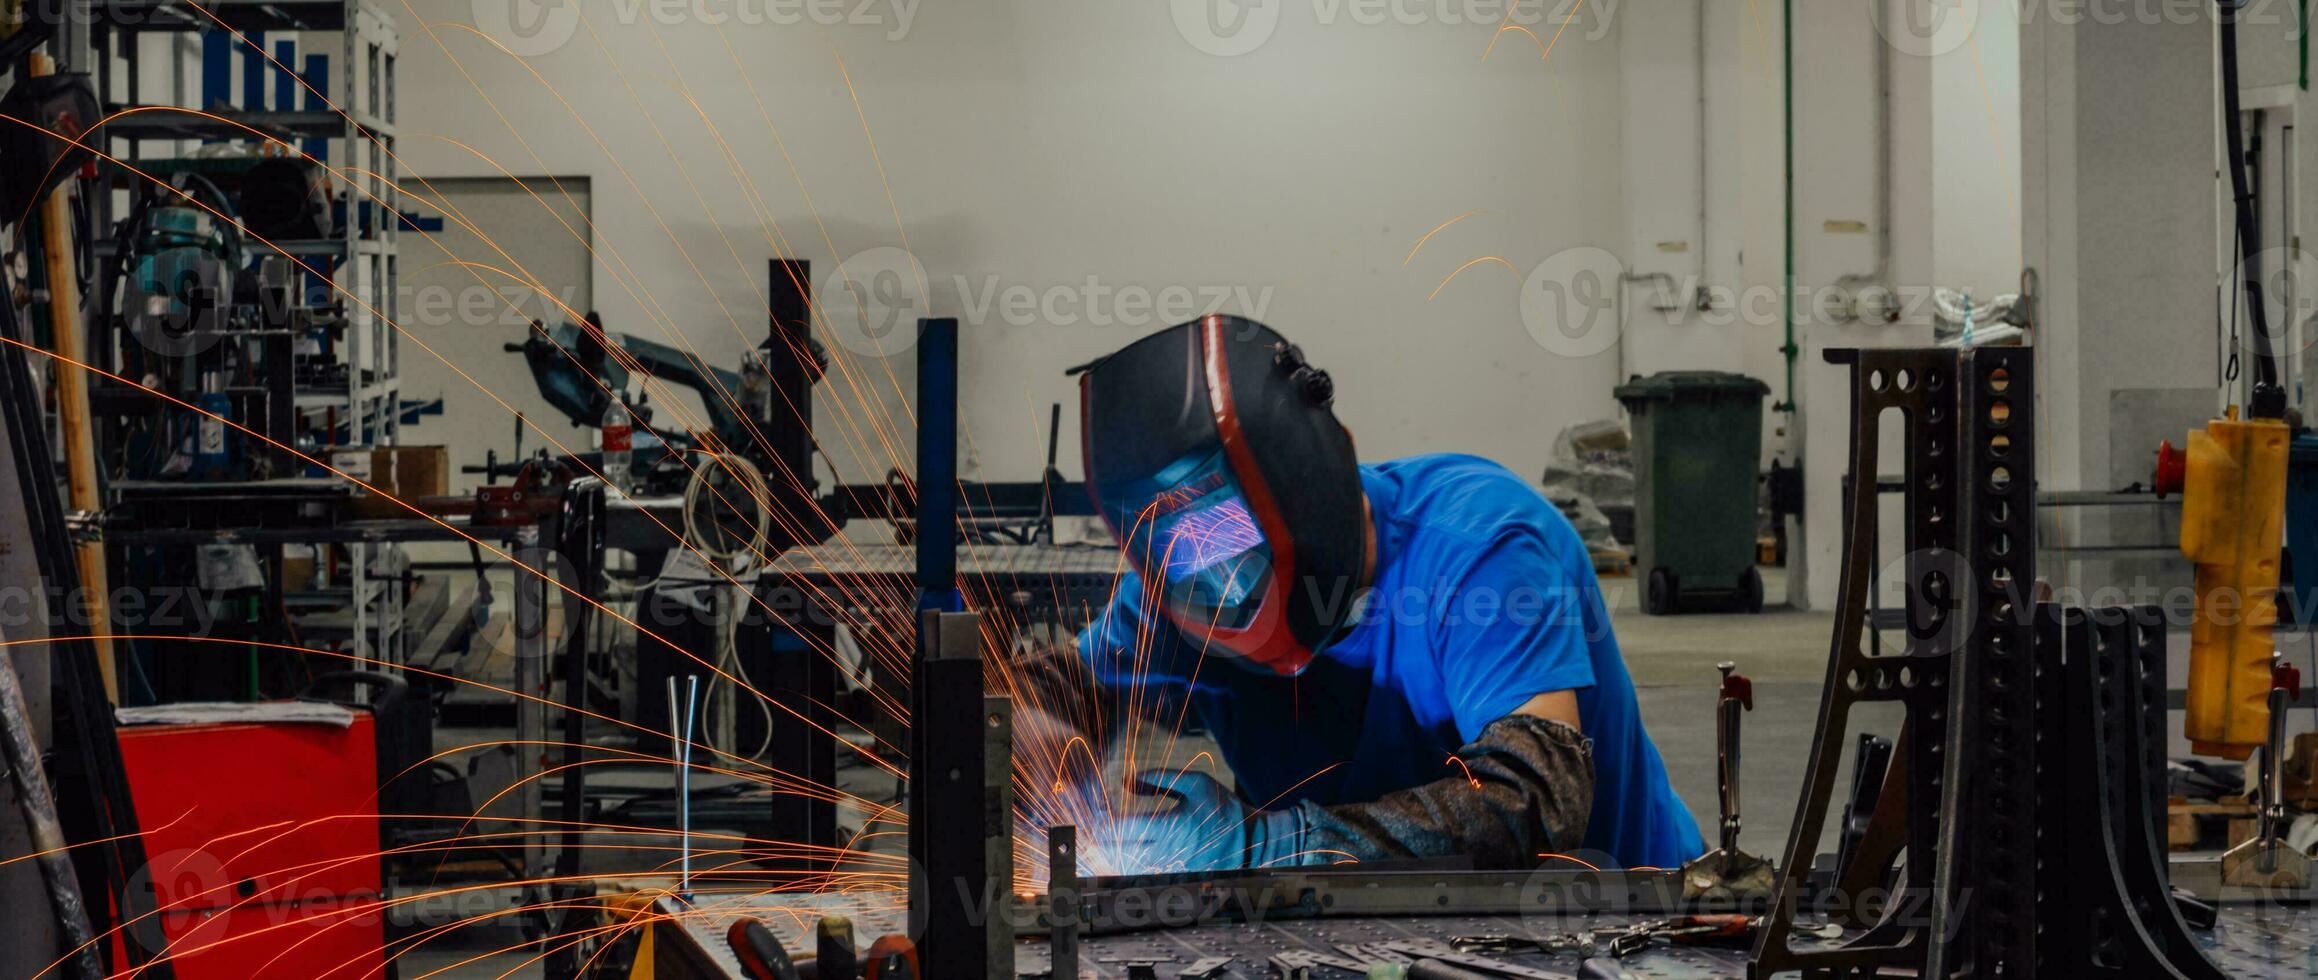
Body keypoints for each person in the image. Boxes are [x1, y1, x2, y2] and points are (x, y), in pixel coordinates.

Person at [1017, 315, 1703, 874]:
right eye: (1182, 553)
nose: (1219, 580)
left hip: (1618, 923)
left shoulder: (1480, 547)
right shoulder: (1175, 595)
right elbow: (1061, 694)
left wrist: (1275, 845)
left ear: (1307, 483)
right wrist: (1037, 749)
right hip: (1367, 936)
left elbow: (1533, 801)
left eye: (1231, 536)